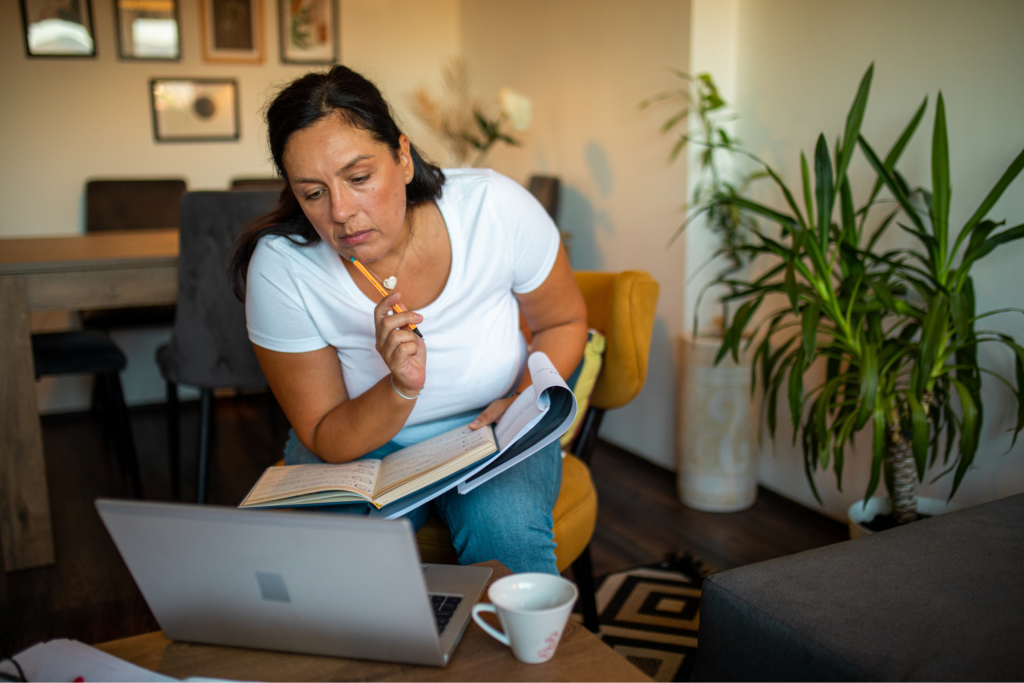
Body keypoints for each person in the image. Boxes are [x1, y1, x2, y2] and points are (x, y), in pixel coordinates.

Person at [229, 65, 587, 575]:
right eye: (313, 192)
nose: (342, 212)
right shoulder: (283, 266)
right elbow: (327, 433)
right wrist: (399, 387)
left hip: (491, 426)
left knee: (507, 540)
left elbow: (564, 322)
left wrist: (519, 400)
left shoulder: (494, 207)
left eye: (358, 178)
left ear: (401, 156)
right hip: (358, 444)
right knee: (332, 572)